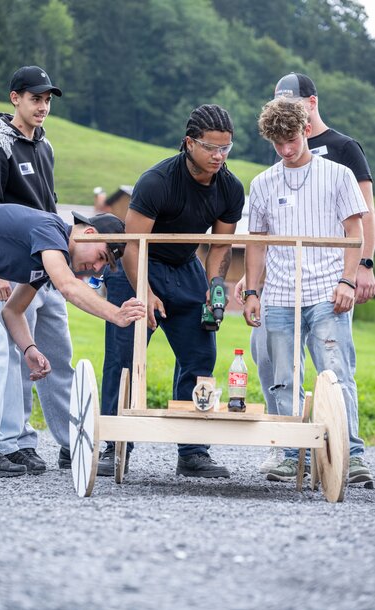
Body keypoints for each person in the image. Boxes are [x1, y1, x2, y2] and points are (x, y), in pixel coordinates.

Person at [236, 72, 375, 481]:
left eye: (292, 140)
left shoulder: (339, 173)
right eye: (278, 144)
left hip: (326, 290)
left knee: (336, 373)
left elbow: (356, 232)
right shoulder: (262, 183)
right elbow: (257, 243)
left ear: (305, 129)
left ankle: (351, 455)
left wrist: (350, 279)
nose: (286, 149)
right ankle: (290, 452)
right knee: (281, 378)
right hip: (278, 293)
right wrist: (253, 291)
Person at [99, 104, 245, 478]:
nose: (219, 156)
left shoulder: (229, 187)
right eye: (211, 148)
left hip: (185, 268)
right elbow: (132, 245)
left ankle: (192, 451)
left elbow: (219, 248)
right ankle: (113, 446)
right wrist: (144, 291)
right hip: (138, 267)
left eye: (226, 148)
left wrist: (215, 286)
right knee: (124, 359)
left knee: (200, 356)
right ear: (189, 143)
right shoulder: (158, 181)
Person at [0, 204, 145, 478]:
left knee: (1, 346)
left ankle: (1, 446)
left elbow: (13, 310)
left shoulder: (45, 258)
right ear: (88, 233)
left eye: (104, 266)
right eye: (101, 256)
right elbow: (67, 287)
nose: (97, 267)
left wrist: (29, 348)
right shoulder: (51, 229)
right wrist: (117, 314)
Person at [0, 65, 72, 474]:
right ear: (15, 97)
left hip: (47, 266)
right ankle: (17, 441)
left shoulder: (45, 147)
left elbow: (49, 207)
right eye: (36, 98)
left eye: (47, 100)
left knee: (59, 353)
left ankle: (72, 441)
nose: (42, 106)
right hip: (12, 267)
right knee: (20, 354)